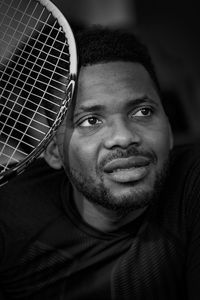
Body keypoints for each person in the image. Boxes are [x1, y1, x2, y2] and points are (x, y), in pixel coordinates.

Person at [0, 26, 200, 300]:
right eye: (90, 121)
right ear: (54, 151)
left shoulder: (192, 182)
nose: (124, 137)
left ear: (167, 125)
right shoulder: (10, 213)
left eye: (143, 112)